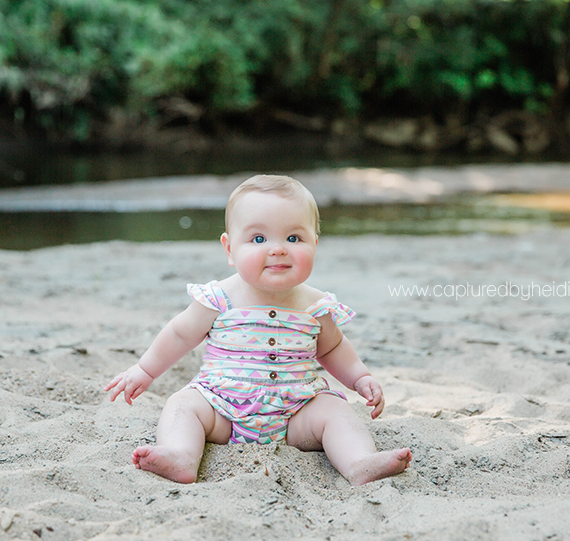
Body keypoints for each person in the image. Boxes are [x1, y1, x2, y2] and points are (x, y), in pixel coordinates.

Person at [105, 174, 412, 486]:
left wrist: (360, 378)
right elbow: (180, 334)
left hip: (296, 413)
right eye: (259, 239)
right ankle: (181, 455)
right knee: (182, 405)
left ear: (314, 244)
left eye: (294, 238)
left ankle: (358, 462)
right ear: (229, 249)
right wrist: (144, 370)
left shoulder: (316, 305)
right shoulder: (218, 299)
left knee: (336, 411)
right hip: (223, 408)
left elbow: (332, 348)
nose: (278, 249)